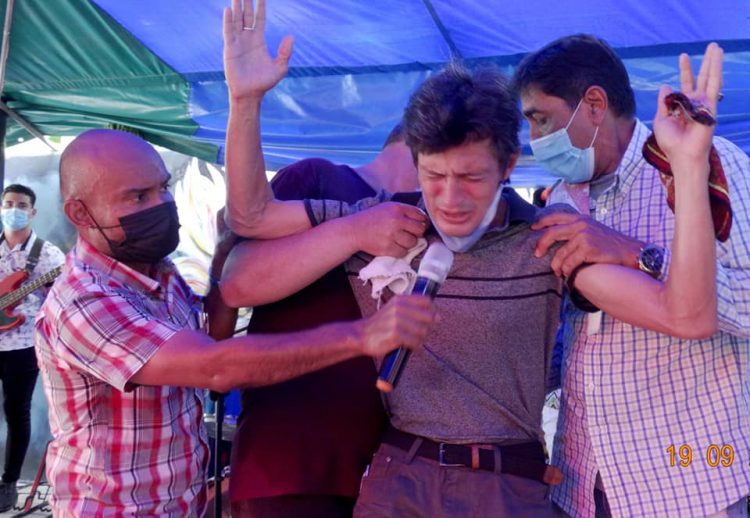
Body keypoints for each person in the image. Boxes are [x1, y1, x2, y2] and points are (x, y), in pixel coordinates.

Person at [220, 2, 719, 513]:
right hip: (397, 477)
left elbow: (689, 316)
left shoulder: (546, 239)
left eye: (472, 178)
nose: (451, 200)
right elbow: (252, 217)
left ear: (507, 166)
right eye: (434, 177)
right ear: (414, 164)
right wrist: (245, 100)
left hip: (505, 486)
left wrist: (690, 168)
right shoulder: (382, 223)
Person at [32, 128, 436, 516]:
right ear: (79, 213)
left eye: (163, 187)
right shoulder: (83, 300)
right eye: (138, 197)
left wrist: (229, 249)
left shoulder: (160, 272)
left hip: (179, 505)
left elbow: (211, 334)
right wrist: (361, 336)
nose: (160, 204)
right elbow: (215, 366)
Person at [513, 35, 749, 516]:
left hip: (692, 482)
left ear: (594, 105)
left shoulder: (705, 165)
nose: (535, 140)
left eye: (542, 119)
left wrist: (638, 254)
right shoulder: (560, 199)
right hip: (582, 484)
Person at [222, 125, 419, 518]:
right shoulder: (318, 178)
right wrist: (356, 230)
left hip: (393, 477)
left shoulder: (443, 220)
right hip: (293, 469)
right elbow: (237, 284)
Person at [0, 184, 65, 512]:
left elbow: (63, 298)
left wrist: (53, 289)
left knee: (17, 412)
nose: (15, 209)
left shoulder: (49, 255)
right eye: (9, 203)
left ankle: (9, 482)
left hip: (23, 345)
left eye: (21, 204)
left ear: (32, 211)